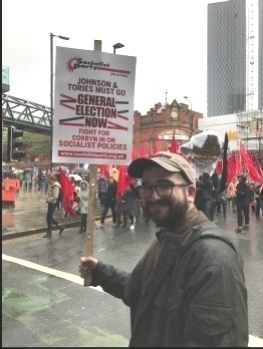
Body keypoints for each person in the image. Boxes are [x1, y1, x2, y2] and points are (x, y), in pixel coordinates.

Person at [79, 151, 248, 347]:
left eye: (165, 186)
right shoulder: (168, 236)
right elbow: (140, 290)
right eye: (147, 187)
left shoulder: (213, 257)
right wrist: (100, 272)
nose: (153, 196)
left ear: (191, 193)